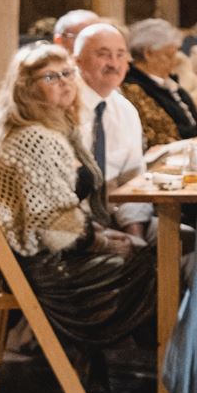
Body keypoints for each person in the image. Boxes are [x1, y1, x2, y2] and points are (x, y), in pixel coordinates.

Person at [0, 43, 155, 356]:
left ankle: (156, 366)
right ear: (27, 90)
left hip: (56, 252)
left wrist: (102, 233)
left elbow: (60, 213)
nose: (65, 82)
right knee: (154, 261)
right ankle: (160, 370)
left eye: (68, 73)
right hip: (51, 267)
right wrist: (105, 240)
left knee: (154, 250)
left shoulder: (58, 126)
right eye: (51, 77)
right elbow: (54, 229)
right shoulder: (36, 137)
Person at [71, 22, 152, 243]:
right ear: (77, 60)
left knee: (194, 241)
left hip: (116, 219)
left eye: (120, 55)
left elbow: (133, 182)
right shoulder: (61, 103)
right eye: (103, 55)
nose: (114, 64)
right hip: (73, 228)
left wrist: (136, 239)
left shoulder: (125, 110)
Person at [123, 19, 197, 146]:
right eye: (169, 55)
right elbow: (168, 134)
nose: (174, 61)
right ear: (148, 53)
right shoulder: (133, 87)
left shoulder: (167, 81)